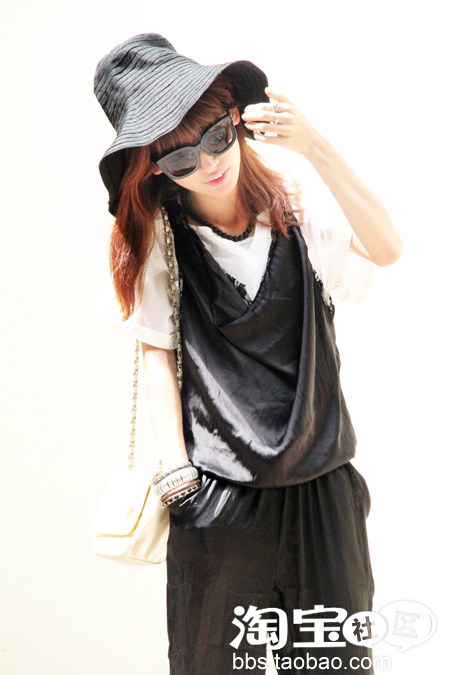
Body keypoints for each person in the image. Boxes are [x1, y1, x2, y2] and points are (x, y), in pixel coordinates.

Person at [92, 33, 402, 675]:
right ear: (154, 169)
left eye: (216, 136)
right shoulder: (160, 245)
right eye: (181, 157)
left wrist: (315, 146)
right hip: (221, 494)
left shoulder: (296, 214)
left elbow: (387, 248)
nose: (209, 163)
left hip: (322, 488)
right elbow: (157, 354)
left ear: (237, 119)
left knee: (337, 662)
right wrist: (178, 475)